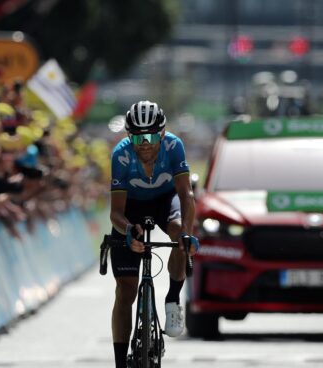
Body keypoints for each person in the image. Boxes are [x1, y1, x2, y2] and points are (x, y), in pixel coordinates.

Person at [109, 100, 199, 367]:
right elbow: (115, 212)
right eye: (137, 136)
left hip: (165, 200)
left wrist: (187, 234)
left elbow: (186, 194)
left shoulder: (173, 146)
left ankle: (172, 300)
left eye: (150, 136)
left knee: (178, 233)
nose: (144, 143)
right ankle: (119, 362)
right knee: (125, 291)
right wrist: (128, 232)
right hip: (131, 208)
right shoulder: (121, 155)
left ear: (162, 133)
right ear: (129, 135)